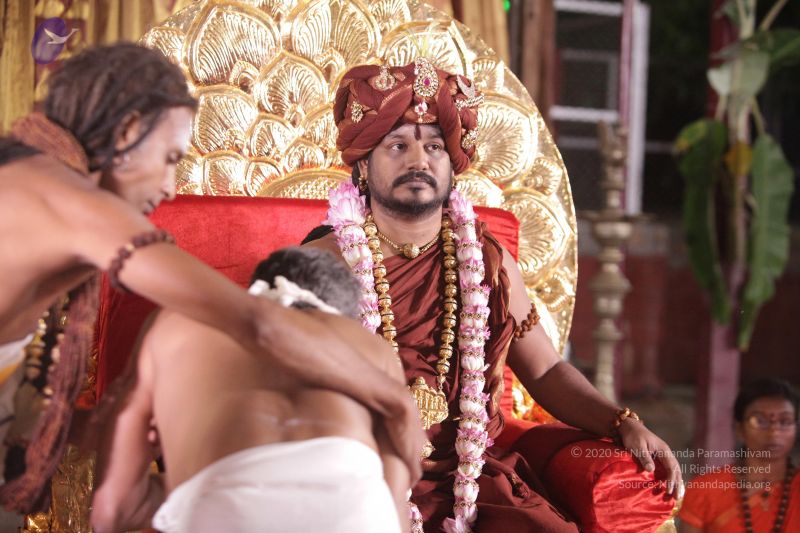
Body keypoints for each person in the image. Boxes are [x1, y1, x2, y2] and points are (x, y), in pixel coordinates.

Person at [0, 43, 423, 511]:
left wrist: (112, 423)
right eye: (169, 158)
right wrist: (393, 400)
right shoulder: (77, 202)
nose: (169, 188)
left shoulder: (35, 180)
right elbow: (252, 321)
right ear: (127, 133)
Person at [304, 58, 684, 531]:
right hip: (358, 481)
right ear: (363, 164)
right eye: (397, 146)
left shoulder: (487, 261)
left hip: (469, 479)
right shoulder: (319, 265)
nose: (419, 161)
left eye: (434, 146)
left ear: (452, 165)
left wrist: (622, 422)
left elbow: (545, 370)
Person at [91, 247, 412, 533]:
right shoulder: (374, 349)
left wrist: (191, 484)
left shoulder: (175, 323)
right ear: (345, 317)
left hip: (221, 511)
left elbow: (112, 512)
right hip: (357, 513)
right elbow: (395, 504)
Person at [678, 378, 799, 532]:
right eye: (760, 421)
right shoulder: (705, 490)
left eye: (785, 421)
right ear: (739, 429)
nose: (773, 432)